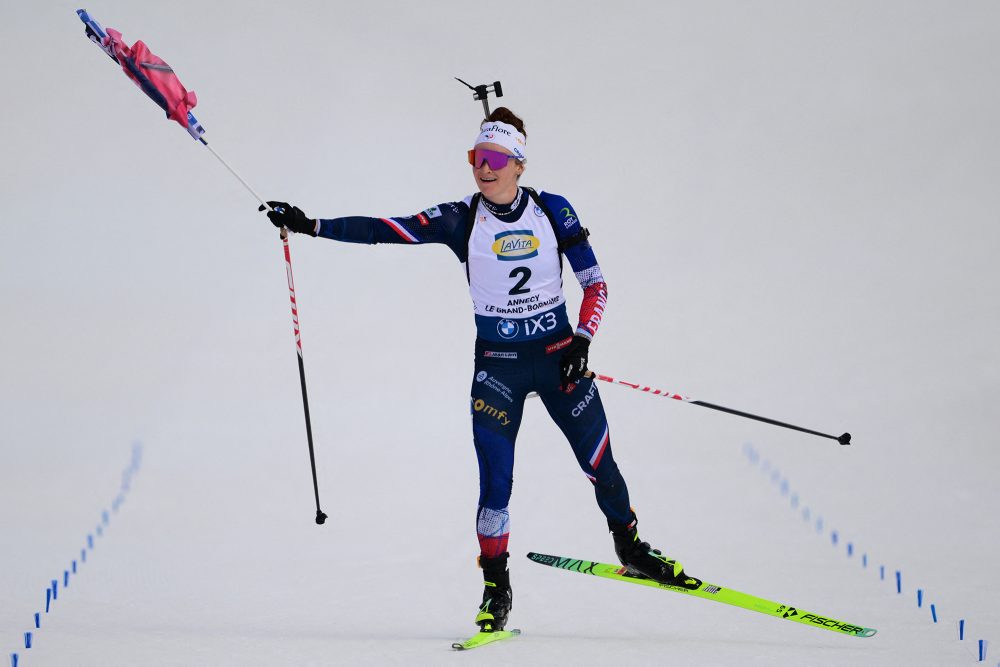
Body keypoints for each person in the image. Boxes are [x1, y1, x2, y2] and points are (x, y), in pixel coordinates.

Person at [262, 107, 699, 633]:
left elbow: (596, 285)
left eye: (493, 159)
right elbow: (385, 230)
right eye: (475, 158)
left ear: (518, 163)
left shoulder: (553, 211)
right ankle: (497, 586)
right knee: (495, 484)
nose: (483, 169)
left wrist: (582, 341)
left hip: (560, 361)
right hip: (499, 369)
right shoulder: (460, 219)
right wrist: (310, 225)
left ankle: (630, 547)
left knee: (601, 463)